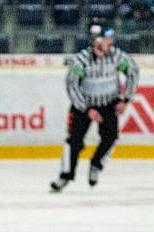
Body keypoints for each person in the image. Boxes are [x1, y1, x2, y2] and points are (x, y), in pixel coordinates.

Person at [50, 20, 139, 192]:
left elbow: (132, 72)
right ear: (97, 40)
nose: (111, 42)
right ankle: (65, 176)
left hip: (108, 104)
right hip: (84, 105)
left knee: (111, 138)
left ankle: (96, 164)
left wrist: (125, 99)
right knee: (73, 142)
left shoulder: (115, 56)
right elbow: (72, 85)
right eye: (107, 39)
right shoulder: (81, 60)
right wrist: (86, 109)